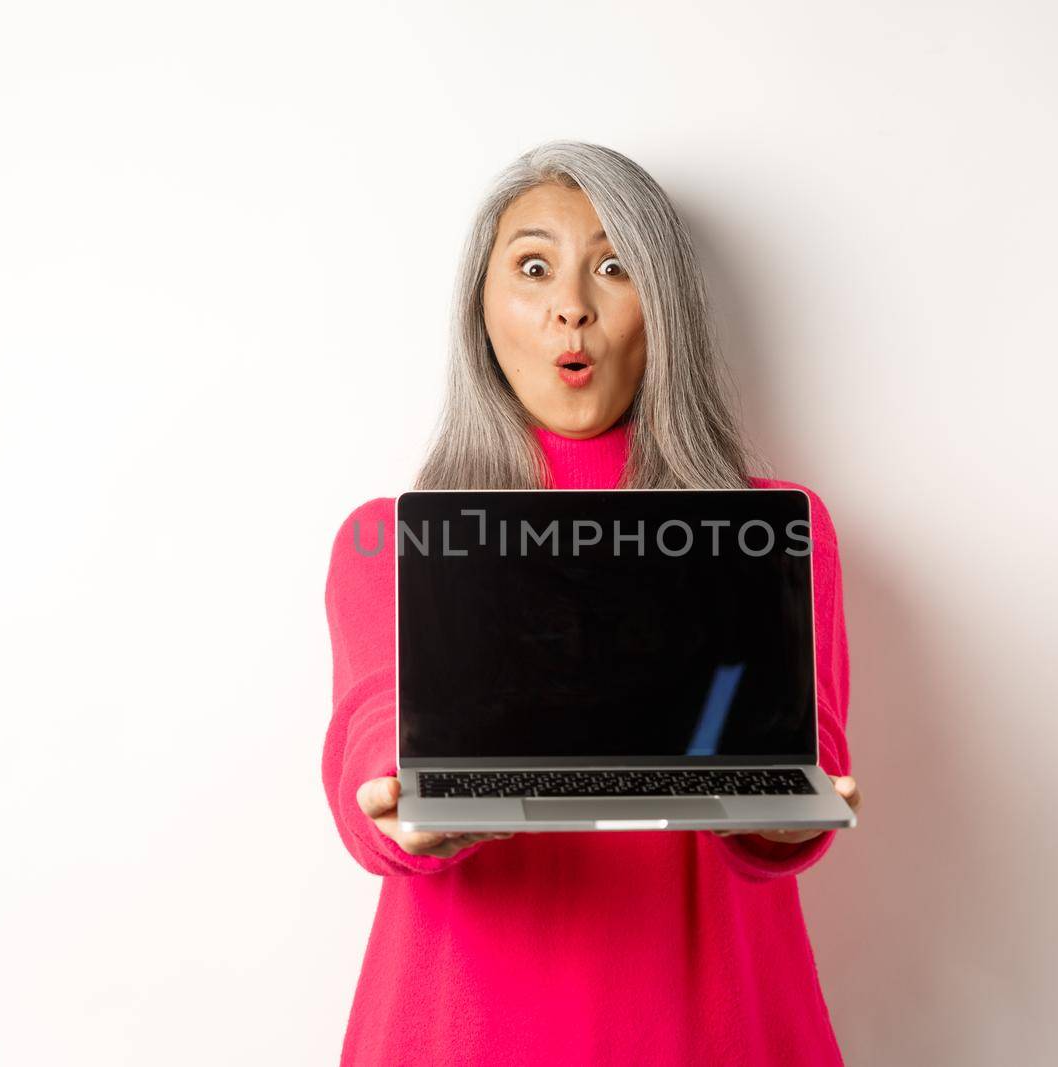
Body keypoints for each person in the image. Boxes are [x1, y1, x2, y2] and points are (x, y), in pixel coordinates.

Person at [321, 140, 862, 1065]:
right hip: (461, 1028)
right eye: (533, 266)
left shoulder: (774, 528)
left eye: (614, 266)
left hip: (712, 1027)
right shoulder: (391, 537)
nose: (572, 305)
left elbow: (804, 742)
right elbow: (374, 719)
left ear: (666, 308)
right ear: (481, 312)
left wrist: (785, 811)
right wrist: (403, 795)